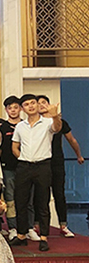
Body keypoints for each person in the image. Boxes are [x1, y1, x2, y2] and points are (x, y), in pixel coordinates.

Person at [10, 94, 62, 251]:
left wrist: (55, 115)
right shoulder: (20, 126)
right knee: (20, 201)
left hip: (43, 166)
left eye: (33, 103)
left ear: (37, 105)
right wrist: (24, 158)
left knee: (42, 201)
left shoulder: (47, 122)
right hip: (24, 166)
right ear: (22, 108)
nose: (31, 106)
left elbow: (57, 128)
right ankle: (21, 235)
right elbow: (14, 147)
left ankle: (44, 237)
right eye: (26, 104)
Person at [37, 95, 84, 237]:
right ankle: (38, 226)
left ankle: (63, 225)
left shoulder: (59, 122)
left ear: (49, 104)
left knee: (59, 193)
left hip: (56, 161)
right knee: (41, 195)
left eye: (44, 102)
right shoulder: (35, 123)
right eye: (38, 103)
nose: (41, 105)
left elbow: (71, 140)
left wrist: (79, 155)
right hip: (40, 162)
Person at [0, 96, 22, 240]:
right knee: (10, 198)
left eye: (15, 107)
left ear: (20, 109)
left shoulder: (26, 125)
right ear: (6, 110)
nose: (13, 110)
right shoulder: (2, 127)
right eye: (10, 108)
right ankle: (12, 227)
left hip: (25, 167)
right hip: (7, 167)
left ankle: (28, 227)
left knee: (27, 199)